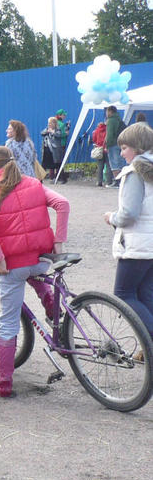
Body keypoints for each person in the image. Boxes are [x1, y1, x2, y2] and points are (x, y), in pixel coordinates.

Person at [0, 146, 69, 398]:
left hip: (13, 265)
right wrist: (58, 242)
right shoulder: (33, 183)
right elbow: (62, 203)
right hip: (42, 259)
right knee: (36, 274)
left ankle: (5, 382)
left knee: (7, 322)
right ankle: (53, 309)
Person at [103, 123, 153, 339]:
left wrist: (112, 217)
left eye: (124, 148)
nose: (121, 153)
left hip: (137, 245)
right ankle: (148, 348)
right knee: (145, 293)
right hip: (149, 244)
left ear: (137, 147)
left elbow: (129, 213)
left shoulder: (135, 173)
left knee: (123, 294)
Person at [106, 105, 127, 187]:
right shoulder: (119, 119)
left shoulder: (111, 120)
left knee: (114, 163)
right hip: (121, 144)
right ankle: (123, 181)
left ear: (110, 111)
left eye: (107, 111)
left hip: (113, 144)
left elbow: (110, 135)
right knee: (121, 162)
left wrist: (107, 145)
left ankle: (117, 181)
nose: (106, 113)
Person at [41, 116, 66, 184]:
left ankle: (62, 178)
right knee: (44, 165)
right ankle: (40, 179)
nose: (49, 124)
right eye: (49, 123)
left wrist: (52, 132)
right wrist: (47, 131)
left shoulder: (58, 130)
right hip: (47, 150)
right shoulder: (47, 129)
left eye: (51, 123)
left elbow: (59, 135)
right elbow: (42, 133)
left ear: (54, 123)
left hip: (55, 151)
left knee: (58, 164)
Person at [92, 121, 111, 187]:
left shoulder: (96, 131)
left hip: (99, 150)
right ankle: (108, 182)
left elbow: (94, 140)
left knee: (100, 167)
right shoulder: (107, 130)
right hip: (106, 149)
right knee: (108, 166)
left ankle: (99, 181)